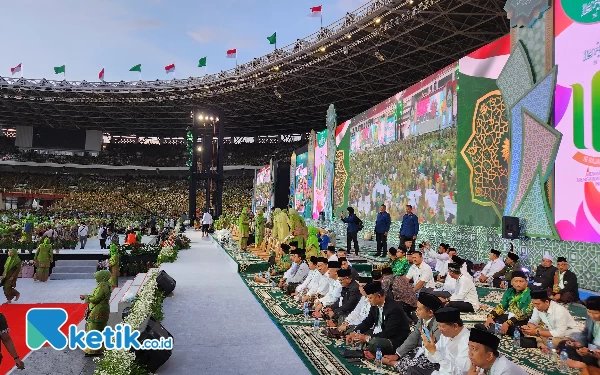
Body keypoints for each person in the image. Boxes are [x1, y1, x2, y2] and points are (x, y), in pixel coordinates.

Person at [382, 293, 443, 374]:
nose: (416, 311)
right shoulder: (423, 318)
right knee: (405, 357)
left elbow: (435, 349)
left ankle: (393, 363)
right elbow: (413, 337)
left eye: (419, 309)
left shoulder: (439, 324)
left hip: (434, 354)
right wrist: (397, 355)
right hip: (421, 349)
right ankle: (398, 363)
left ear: (430, 313)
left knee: (414, 367)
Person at [347, 281, 411, 355]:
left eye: (370, 298)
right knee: (357, 333)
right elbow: (368, 322)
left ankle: (370, 350)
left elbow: (388, 333)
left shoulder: (394, 308)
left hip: (394, 340)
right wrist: (354, 333)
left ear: (379, 296)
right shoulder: (375, 305)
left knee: (375, 342)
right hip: (380, 334)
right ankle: (368, 349)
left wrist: (367, 338)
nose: (368, 300)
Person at [413, 306, 470, 375]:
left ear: (455, 326)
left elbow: (459, 372)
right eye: (438, 326)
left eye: (442, 326)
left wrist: (435, 352)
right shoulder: (446, 335)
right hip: (441, 372)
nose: (439, 329)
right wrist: (429, 345)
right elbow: (433, 359)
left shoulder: (467, 342)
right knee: (413, 368)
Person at [479, 271, 533, 336]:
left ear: (526, 283)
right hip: (511, 317)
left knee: (518, 329)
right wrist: (490, 317)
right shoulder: (509, 291)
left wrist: (508, 323)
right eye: (516, 281)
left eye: (521, 281)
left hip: (524, 320)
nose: (518, 284)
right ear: (512, 283)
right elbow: (501, 306)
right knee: (495, 318)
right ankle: (494, 327)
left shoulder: (530, 294)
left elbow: (526, 313)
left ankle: (493, 328)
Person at [79, 270, 111, 356]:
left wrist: (86, 297)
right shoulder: (106, 284)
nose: (96, 280)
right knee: (100, 329)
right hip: (102, 309)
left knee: (93, 328)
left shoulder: (102, 286)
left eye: (97, 278)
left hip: (98, 310)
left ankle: (92, 350)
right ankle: (99, 348)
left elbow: (96, 299)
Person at [563, 296, 600, 369]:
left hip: (597, 352)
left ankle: (585, 366)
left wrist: (591, 352)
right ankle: (584, 365)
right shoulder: (590, 317)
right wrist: (579, 343)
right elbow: (585, 332)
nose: (592, 315)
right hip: (589, 347)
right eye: (589, 312)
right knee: (566, 345)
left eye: (595, 313)